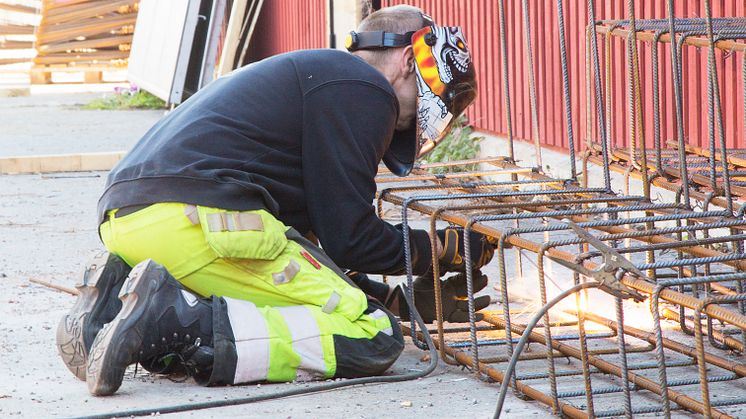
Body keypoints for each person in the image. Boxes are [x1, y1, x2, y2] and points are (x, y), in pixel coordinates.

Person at [55, 5, 494, 397]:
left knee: (327, 307)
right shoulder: (365, 90)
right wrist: (440, 249)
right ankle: (172, 324)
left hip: (131, 222)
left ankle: (112, 309)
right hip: (201, 220)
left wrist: (401, 302)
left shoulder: (321, 81)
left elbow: (314, 255)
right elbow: (351, 239)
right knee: (372, 335)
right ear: (407, 61)